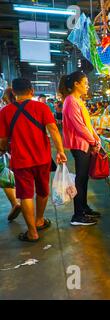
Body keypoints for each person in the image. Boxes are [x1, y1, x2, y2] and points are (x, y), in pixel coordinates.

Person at [0, 79, 67, 241]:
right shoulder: (42, 107)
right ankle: (39, 220)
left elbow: (2, 139)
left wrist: (4, 149)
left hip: (21, 160)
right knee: (43, 191)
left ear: (14, 93)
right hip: (42, 158)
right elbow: (53, 130)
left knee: (25, 195)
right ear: (31, 90)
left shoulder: (5, 112)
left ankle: (32, 233)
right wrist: (60, 151)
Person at [59, 71, 101, 226]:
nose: (87, 86)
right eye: (85, 83)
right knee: (80, 180)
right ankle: (78, 215)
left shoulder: (78, 100)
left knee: (83, 179)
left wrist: (96, 138)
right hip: (79, 145)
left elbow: (88, 125)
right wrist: (93, 141)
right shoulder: (70, 101)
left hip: (85, 144)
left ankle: (84, 208)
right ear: (76, 84)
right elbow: (79, 127)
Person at [1, 87, 21, 222]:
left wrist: (3, 147)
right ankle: (17, 202)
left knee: (4, 176)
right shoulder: (25, 108)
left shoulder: (5, 111)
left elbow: (2, 136)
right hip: (21, 150)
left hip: (9, 149)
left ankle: (15, 203)